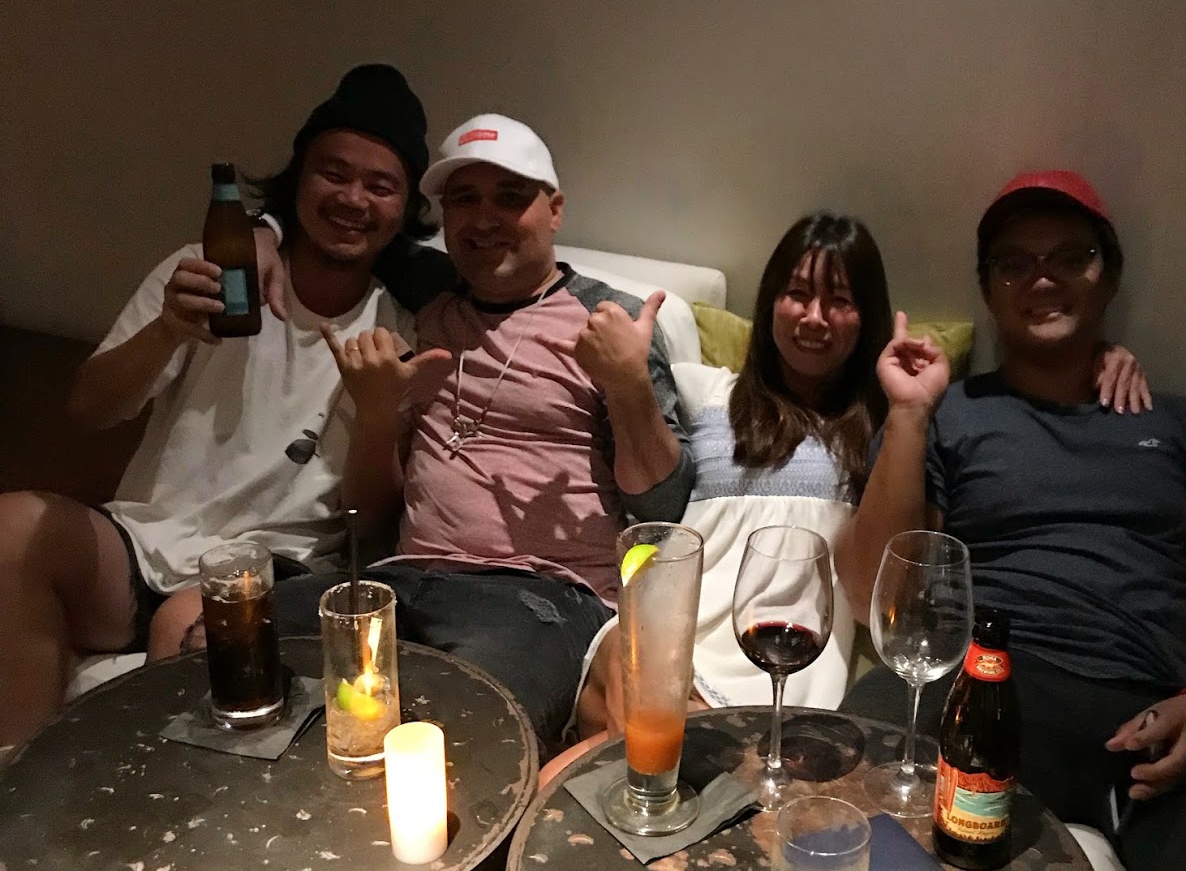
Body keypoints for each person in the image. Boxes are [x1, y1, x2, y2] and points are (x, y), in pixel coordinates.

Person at [836, 169, 1186, 871]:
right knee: (831, 842)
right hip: (985, 694)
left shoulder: (1179, 423)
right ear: (989, 290)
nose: (1041, 277)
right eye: (1014, 263)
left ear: (1108, 276)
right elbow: (872, 589)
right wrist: (909, 417)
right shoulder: (954, 413)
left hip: (1161, 709)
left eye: (1068, 257)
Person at [553, 210, 1148, 781]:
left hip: (775, 659)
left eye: (839, 300)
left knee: (614, 773)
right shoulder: (705, 390)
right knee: (612, 746)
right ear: (770, 303)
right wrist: (629, 382)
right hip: (663, 629)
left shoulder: (891, 425)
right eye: (797, 294)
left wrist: (1101, 358)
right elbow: (653, 501)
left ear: (866, 319)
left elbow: (893, 569)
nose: (815, 317)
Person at [0, 64, 424, 751]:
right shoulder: (207, 272)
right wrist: (166, 330)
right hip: (142, 545)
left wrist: (378, 413)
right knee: (13, 527)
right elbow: (88, 409)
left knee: (195, 619)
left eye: (381, 186)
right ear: (298, 179)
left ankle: (145, 793)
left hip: (275, 563)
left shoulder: (397, 329)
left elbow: (368, 519)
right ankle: (17, 780)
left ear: (404, 210)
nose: (353, 199)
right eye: (333, 173)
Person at [272, 114, 694, 752]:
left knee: (469, 728)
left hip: (539, 595)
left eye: (510, 197)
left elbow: (663, 506)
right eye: (464, 200)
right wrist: (377, 412)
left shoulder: (610, 319)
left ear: (555, 211)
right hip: (401, 577)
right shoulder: (424, 314)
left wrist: (627, 385)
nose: (484, 218)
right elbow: (367, 522)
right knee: (236, 646)